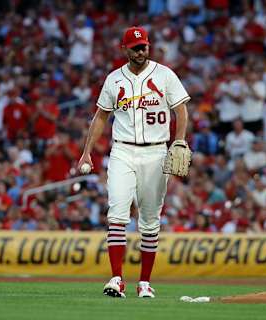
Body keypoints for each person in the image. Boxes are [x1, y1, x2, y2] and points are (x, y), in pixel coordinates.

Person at [77, 26, 190, 298]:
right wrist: (86, 152)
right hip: (123, 151)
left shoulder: (164, 75)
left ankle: (144, 283)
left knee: (150, 222)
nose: (141, 51)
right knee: (116, 214)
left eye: (144, 46)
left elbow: (181, 110)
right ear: (124, 49)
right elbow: (101, 117)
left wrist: (179, 140)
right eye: (136, 47)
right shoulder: (114, 79)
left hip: (156, 152)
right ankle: (116, 278)